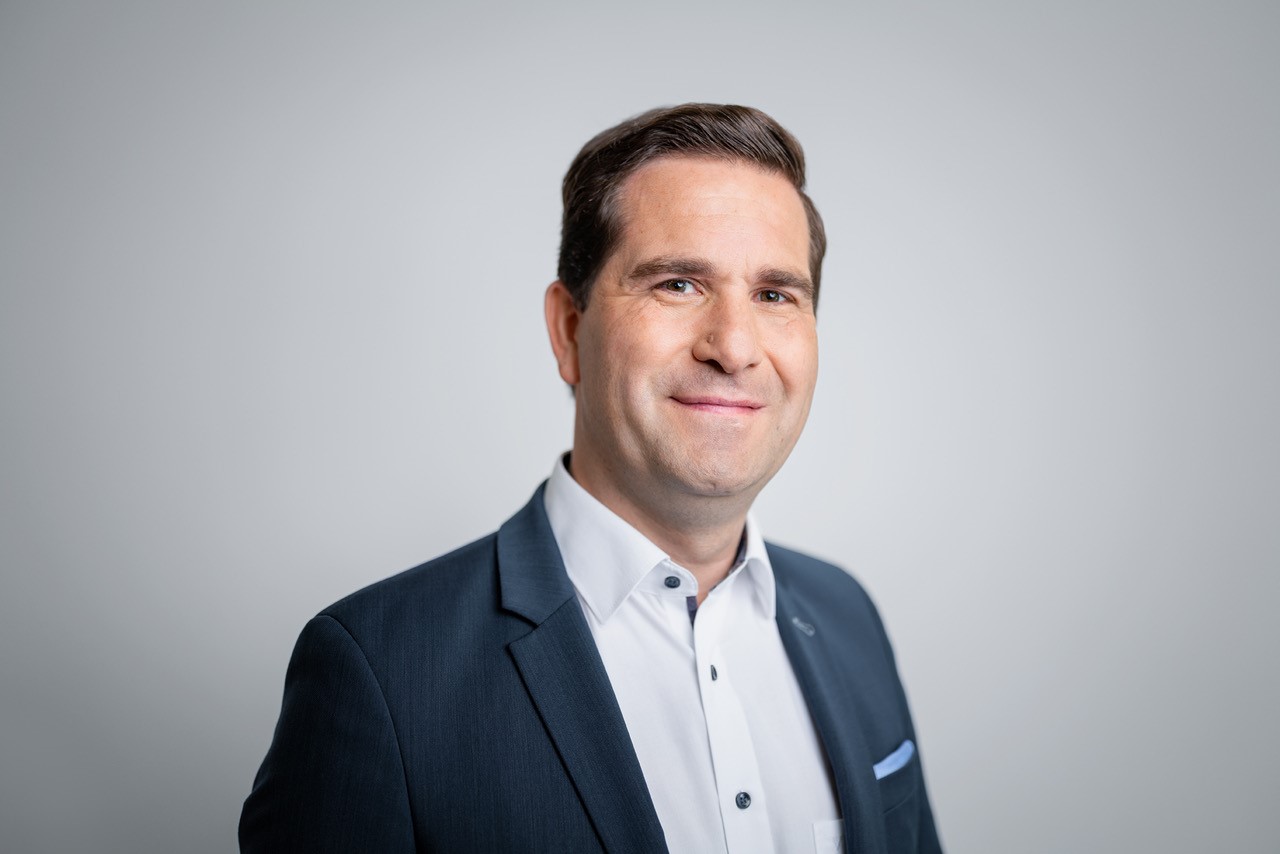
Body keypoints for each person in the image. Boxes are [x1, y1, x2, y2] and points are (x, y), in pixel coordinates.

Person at [239, 103, 943, 854]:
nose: (734, 347)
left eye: (775, 295)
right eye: (678, 284)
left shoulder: (848, 617)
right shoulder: (377, 673)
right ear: (569, 330)